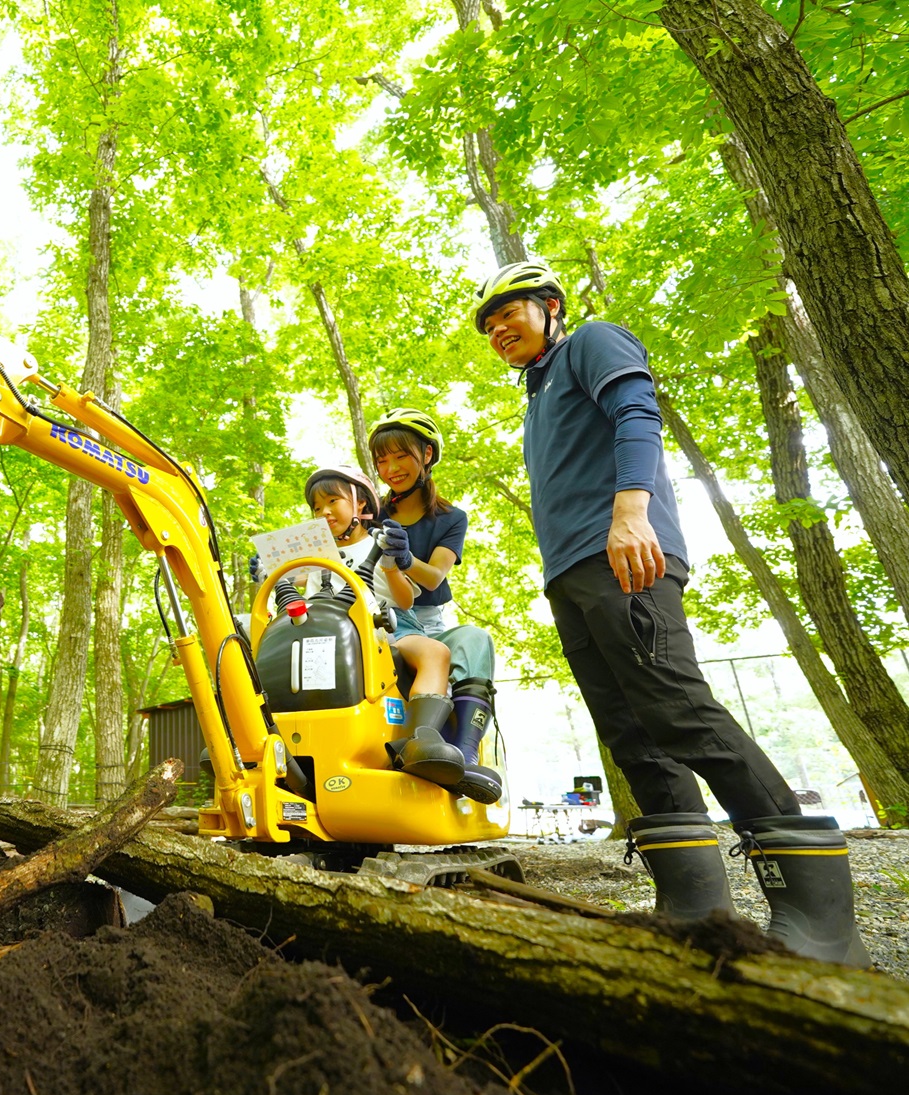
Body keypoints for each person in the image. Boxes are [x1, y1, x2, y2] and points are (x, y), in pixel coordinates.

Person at [475, 258, 869, 966]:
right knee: (632, 733)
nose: (498, 327)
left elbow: (635, 411)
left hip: (624, 556)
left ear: (550, 305)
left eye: (510, 311)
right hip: (570, 577)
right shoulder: (536, 396)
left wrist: (631, 509)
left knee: (677, 710)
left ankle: (822, 922)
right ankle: (694, 909)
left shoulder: (590, 342)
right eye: (488, 323)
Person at [250, 466, 462, 786]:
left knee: (434, 652)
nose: (324, 512)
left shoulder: (382, 541)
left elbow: (404, 601)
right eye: (317, 507)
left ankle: (424, 738)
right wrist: (272, 574)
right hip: (325, 631)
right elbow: (296, 599)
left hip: (384, 627)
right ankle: (251, 736)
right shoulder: (312, 554)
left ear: (360, 504)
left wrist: (392, 565)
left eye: (333, 501)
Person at [366, 410, 501, 803]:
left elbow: (435, 577)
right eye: (382, 460)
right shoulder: (373, 513)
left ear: (426, 454)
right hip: (385, 616)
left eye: (400, 456)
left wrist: (407, 560)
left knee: (474, 641)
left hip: (432, 619)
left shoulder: (450, 518)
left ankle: (464, 755)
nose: (390, 468)